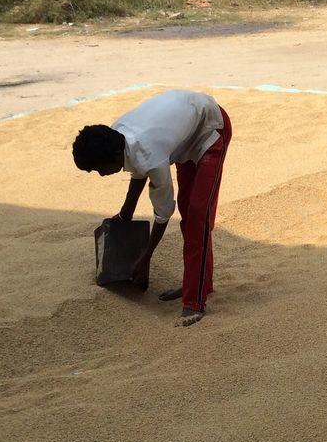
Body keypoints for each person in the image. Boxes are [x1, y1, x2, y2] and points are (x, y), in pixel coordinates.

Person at [72, 90, 231, 326]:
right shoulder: (117, 133)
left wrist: (146, 256)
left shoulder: (151, 154)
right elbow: (137, 166)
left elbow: (163, 212)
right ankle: (200, 283)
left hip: (210, 129)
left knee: (198, 214)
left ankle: (194, 301)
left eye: (100, 169)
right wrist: (125, 214)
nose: (102, 174)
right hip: (184, 136)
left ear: (115, 156)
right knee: (188, 212)